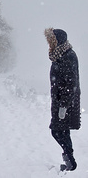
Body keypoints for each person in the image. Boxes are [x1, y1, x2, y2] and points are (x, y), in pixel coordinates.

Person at [48, 28, 81, 172]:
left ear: (58, 40)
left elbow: (71, 84)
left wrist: (63, 106)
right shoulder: (60, 55)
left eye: (51, 40)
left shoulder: (67, 56)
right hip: (61, 100)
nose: (49, 44)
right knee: (62, 131)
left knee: (57, 131)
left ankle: (70, 162)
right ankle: (70, 162)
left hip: (66, 102)